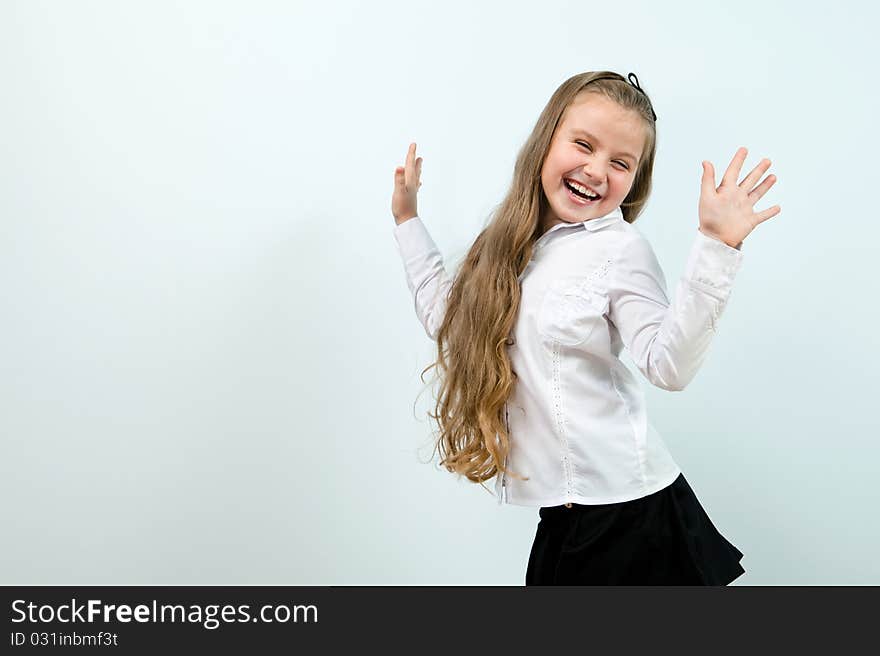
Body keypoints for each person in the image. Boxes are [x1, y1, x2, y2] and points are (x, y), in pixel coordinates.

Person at [389, 71, 780, 585]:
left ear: (635, 179)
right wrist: (407, 220)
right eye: (583, 144)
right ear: (546, 139)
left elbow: (669, 367)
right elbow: (449, 322)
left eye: (621, 162)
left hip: (630, 516)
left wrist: (716, 245)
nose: (597, 170)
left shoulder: (620, 250)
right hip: (566, 517)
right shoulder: (507, 246)